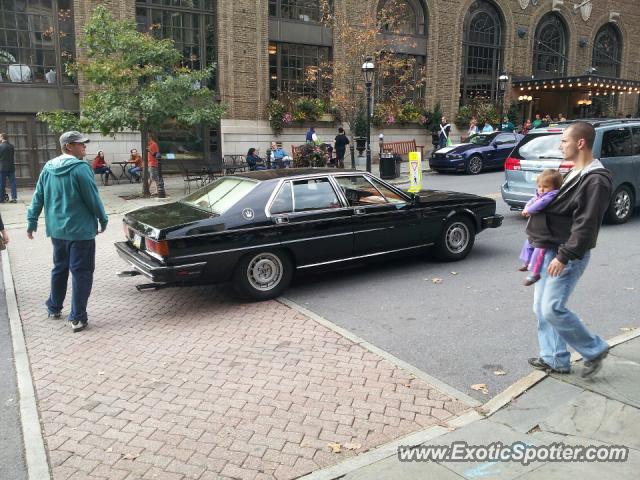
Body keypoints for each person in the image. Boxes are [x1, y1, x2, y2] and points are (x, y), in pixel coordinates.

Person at [526, 122, 612, 378]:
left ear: (580, 143)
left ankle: (595, 349)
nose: (560, 145)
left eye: (564, 141)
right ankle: (554, 359)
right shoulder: (576, 171)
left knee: (552, 308)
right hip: (550, 249)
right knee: (541, 309)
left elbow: (586, 225)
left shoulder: (596, 180)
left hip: (567, 254)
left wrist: (564, 256)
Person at [26, 131, 108, 333]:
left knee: (60, 268)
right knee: (81, 272)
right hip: (80, 232)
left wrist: (32, 220)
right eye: (81, 144)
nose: (85, 147)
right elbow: (92, 197)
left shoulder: (48, 167)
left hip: (57, 230)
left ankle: (54, 307)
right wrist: (102, 218)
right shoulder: (81, 168)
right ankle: (77, 317)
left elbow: (38, 196)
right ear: (69, 146)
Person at [518, 169, 563, 286]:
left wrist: (529, 210)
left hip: (545, 233)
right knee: (528, 244)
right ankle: (527, 263)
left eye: (545, 186)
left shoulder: (551, 195)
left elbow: (540, 204)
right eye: (539, 186)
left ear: (555, 187)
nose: (541, 189)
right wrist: (526, 208)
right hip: (536, 230)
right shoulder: (540, 194)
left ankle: (534, 273)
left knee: (539, 251)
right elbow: (532, 200)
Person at [0, 133, 18, 203]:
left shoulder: (0, 146)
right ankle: (14, 198)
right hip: (11, 167)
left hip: (2, 168)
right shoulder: (11, 146)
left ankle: (1, 199)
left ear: (2, 137)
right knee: (12, 183)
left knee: (1, 183)